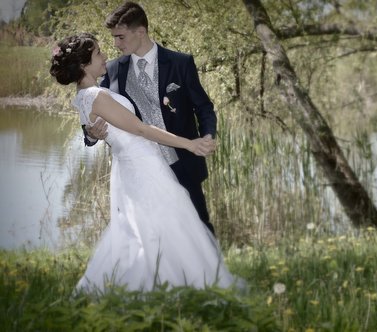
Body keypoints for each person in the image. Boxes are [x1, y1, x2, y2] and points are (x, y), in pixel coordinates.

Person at [49, 33, 242, 292]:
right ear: (84, 64)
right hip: (142, 167)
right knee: (164, 222)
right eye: (98, 54)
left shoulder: (86, 95)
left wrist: (91, 132)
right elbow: (140, 129)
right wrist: (190, 143)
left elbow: (101, 127)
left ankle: (166, 282)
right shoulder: (96, 96)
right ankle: (170, 284)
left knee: (148, 226)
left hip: (135, 166)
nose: (106, 55)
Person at [83, 1, 217, 235]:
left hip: (183, 160)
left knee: (199, 229)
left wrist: (206, 136)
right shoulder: (113, 70)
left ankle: (211, 272)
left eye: (120, 37)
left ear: (141, 32)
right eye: (114, 37)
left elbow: (204, 107)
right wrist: (90, 134)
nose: (115, 43)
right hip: (142, 170)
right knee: (147, 235)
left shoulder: (180, 63)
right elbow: (95, 111)